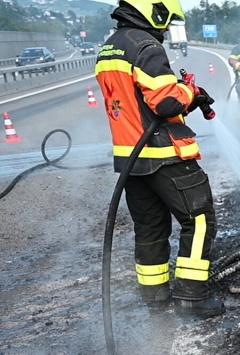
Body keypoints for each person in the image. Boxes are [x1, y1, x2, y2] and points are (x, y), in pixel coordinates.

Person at [96, 0, 223, 317]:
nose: (166, 29)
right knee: (200, 221)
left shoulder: (109, 49)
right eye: (167, 21)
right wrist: (191, 93)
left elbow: (138, 102)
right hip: (165, 155)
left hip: (132, 162)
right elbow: (165, 104)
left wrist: (182, 91)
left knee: (150, 228)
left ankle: (155, 300)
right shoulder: (145, 46)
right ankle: (192, 298)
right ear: (154, 11)